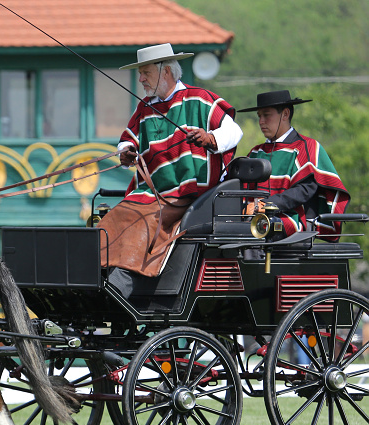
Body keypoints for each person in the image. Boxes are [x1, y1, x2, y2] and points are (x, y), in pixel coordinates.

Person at [97, 43, 242, 295]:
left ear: (165, 72)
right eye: (140, 73)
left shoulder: (199, 98)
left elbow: (233, 132)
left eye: (146, 73)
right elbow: (127, 139)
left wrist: (210, 139)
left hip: (191, 196)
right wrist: (126, 152)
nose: (140, 79)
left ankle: (122, 284)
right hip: (153, 194)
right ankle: (102, 275)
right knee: (116, 215)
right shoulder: (145, 107)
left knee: (140, 218)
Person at [237, 90, 349, 240]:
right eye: (259, 116)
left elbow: (305, 190)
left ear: (285, 114)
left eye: (266, 115)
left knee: (258, 230)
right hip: (255, 219)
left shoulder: (306, 147)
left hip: (293, 219)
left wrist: (266, 205)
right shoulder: (256, 152)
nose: (261, 121)